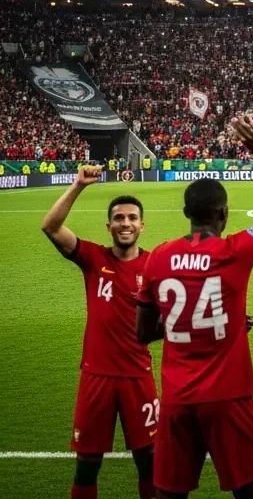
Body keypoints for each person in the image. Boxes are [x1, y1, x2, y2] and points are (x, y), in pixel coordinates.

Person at [135, 115, 253, 499]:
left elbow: (144, 333)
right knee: (251, 488)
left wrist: (192, 323)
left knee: (169, 492)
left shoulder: (158, 258)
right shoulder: (235, 251)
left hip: (178, 399)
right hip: (228, 397)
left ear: (186, 214)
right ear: (224, 214)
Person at [42, 165, 157, 499]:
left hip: (138, 375)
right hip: (97, 377)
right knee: (88, 463)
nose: (126, 223)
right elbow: (50, 226)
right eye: (119, 218)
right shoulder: (93, 258)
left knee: (149, 461)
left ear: (141, 225)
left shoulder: (153, 265)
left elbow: (175, 317)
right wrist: (78, 184)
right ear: (109, 226)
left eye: (132, 218)